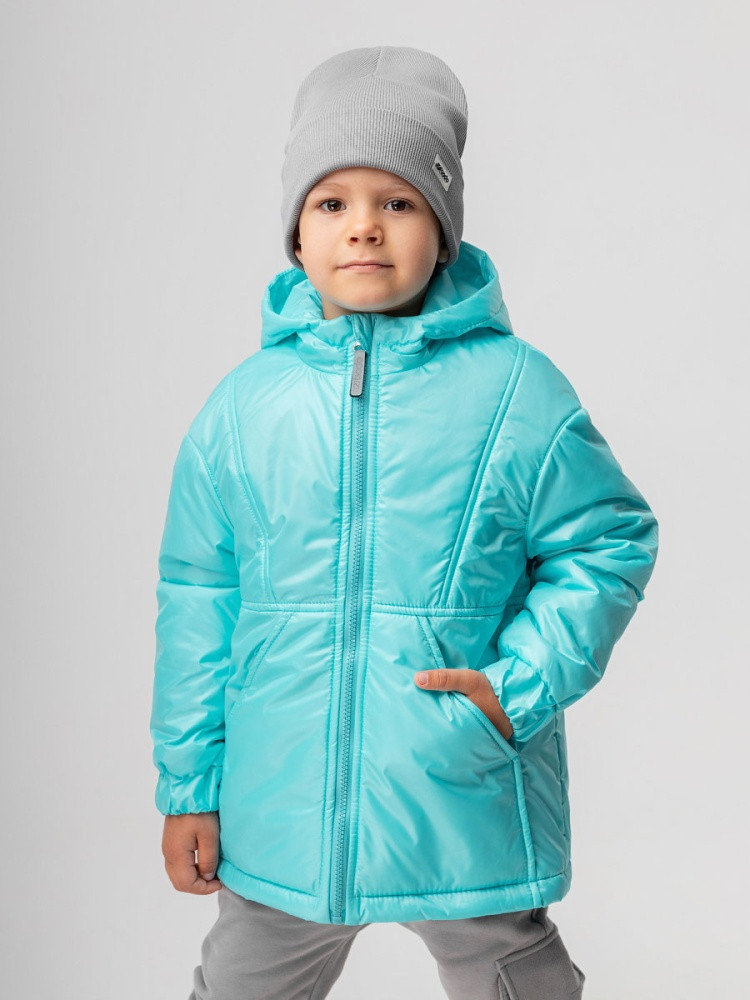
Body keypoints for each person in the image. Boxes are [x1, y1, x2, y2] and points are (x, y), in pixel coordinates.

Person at [150, 45, 659, 1000]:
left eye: (398, 201)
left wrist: (514, 689)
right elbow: (198, 600)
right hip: (281, 802)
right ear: (297, 234)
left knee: (512, 972)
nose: (363, 227)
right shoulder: (242, 409)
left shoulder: (516, 392)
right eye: (330, 202)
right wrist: (190, 786)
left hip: (456, 781)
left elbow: (608, 541)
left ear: (445, 230)